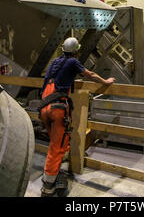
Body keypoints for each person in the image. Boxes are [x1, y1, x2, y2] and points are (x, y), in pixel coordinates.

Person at [39, 36, 115, 197]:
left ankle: (60, 174)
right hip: (58, 109)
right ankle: (48, 187)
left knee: (59, 143)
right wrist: (106, 82)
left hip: (44, 107)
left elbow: (49, 82)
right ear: (76, 52)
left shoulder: (54, 63)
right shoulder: (73, 62)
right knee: (57, 148)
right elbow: (91, 74)